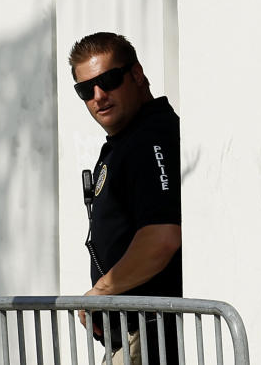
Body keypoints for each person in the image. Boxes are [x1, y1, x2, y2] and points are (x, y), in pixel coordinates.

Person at [70, 32, 181, 365]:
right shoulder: (125, 143)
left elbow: (162, 237)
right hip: (131, 339)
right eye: (86, 90)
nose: (99, 96)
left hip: (149, 339)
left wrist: (101, 293)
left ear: (137, 74)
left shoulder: (151, 138)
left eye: (109, 80)